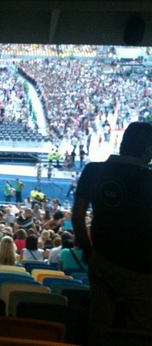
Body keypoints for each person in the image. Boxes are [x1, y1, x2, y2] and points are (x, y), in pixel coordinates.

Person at [73, 122, 152, 335]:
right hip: (141, 269)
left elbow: (78, 216)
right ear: (147, 151)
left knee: (99, 323)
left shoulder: (93, 170)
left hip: (102, 260)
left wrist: (89, 251)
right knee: (141, 329)